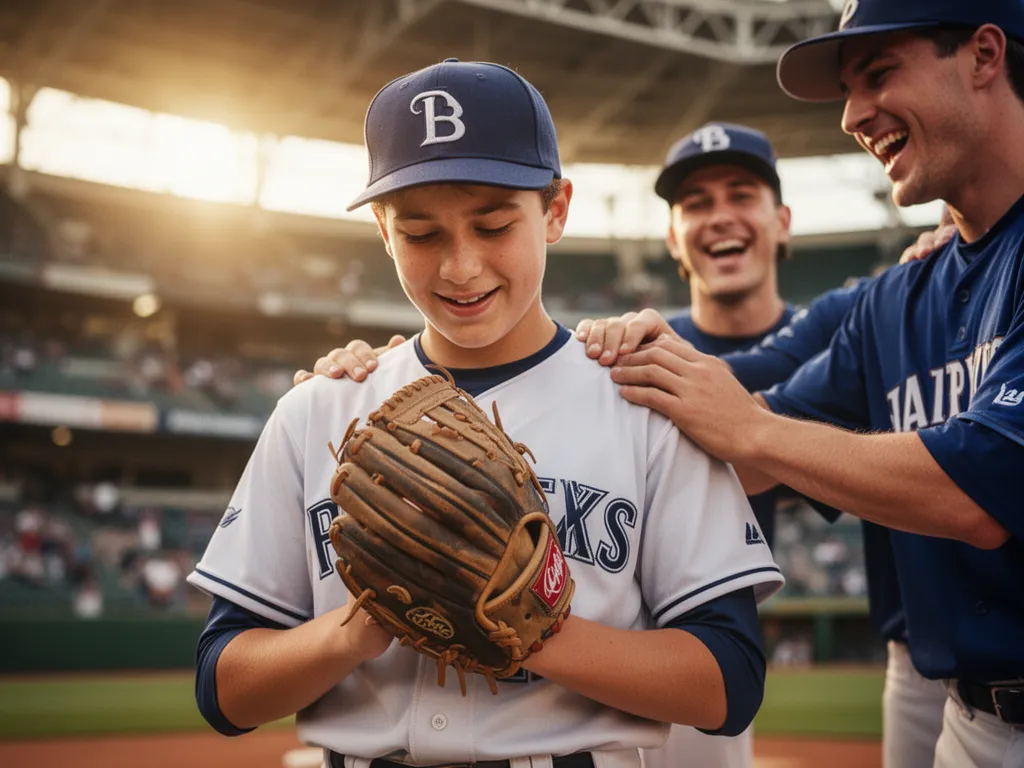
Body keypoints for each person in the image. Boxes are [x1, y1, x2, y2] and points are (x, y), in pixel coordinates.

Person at [188, 59, 785, 768]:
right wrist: (357, 627)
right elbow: (222, 690)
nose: (460, 267)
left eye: (494, 224)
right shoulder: (318, 408)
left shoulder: (645, 402)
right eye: (421, 235)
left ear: (555, 210)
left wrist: (529, 621)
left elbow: (730, 682)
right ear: (383, 232)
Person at [297, 126, 955, 768]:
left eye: (741, 194)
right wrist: (391, 371)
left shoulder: (837, 329)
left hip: (699, 625)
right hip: (616, 630)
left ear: (782, 220)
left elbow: (750, 408)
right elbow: (525, 368)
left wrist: (949, 266)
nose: (720, 216)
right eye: (696, 203)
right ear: (672, 237)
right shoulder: (630, 352)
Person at [584, 3, 1024, 767]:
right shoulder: (894, 301)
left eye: (880, 73)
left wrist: (751, 430)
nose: (852, 114)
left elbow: (985, 486)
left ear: (985, 54)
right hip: (966, 718)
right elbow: (744, 450)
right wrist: (426, 370)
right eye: (850, 89)